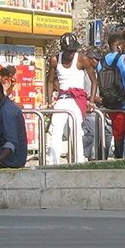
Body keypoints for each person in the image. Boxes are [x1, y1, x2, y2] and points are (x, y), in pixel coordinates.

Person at [45, 33, 97, 165]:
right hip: (62, 98)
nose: (72, 53)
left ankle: (79, 161)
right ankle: (53, 163)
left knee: (77, 132)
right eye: (69, 51)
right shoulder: (55, 60)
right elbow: (50, 81)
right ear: (63, 49)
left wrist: (91, 102)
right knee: (56, 130)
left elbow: (94, 81)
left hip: (77, 99)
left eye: (74, 50)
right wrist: (49, 101)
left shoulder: (82, 59)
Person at [96, 33, 125, 158]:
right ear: (120, 46)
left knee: (117, 134)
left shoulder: (100, 62)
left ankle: (119, 156)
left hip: (110, 104)